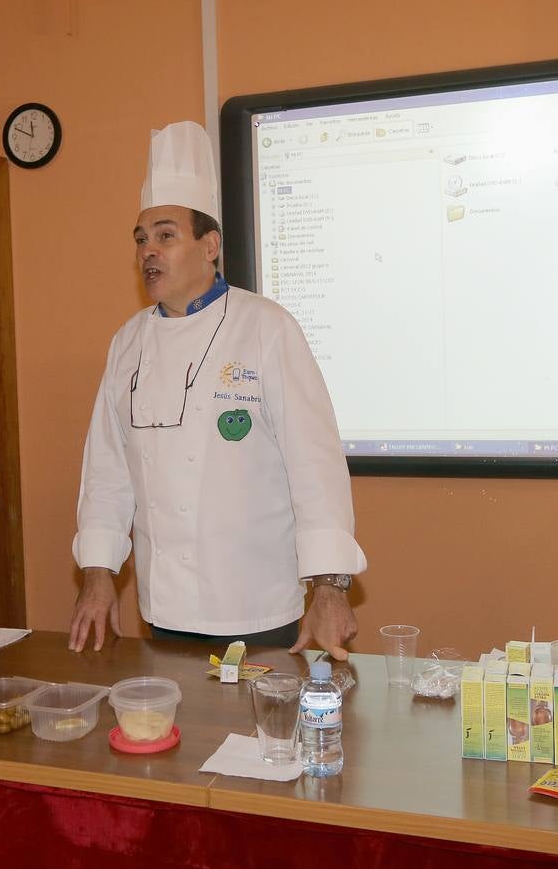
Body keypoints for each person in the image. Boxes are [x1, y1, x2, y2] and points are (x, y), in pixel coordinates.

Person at [68, 120, 367, 657]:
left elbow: (315, 466)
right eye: (141, 239)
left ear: (210, 246)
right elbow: (107, 472)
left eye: (165, 235)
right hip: (164, 613)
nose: (148, 252)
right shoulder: (128, 343)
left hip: (259, 608)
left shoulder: (267, 327)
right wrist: (98, 574)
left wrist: (329, 586)